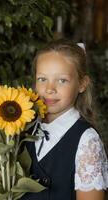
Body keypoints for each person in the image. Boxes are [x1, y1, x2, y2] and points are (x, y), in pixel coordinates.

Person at [21, 39, 108, 200]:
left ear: (82, 84)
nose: (49, 89)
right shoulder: (23, 128)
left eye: (62, 80)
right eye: (42, 79)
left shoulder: (87, 142)